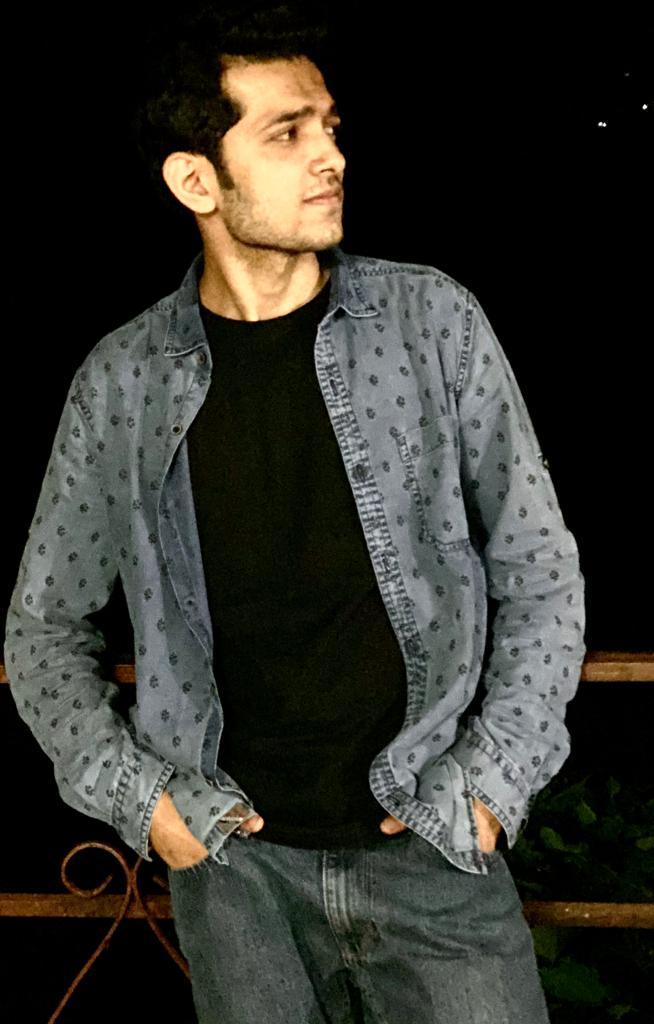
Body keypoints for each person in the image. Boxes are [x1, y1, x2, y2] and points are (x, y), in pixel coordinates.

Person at [4, 4, 586, 1022]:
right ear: (197, 181)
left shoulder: (432, 322)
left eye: (330, 127)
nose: (332, 157)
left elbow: (539, 569)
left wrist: (491, 781)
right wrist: (146, 803)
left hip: (435, 852)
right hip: (235, 875)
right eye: (287, 133)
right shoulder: (124, 383)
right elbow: (45, 627)